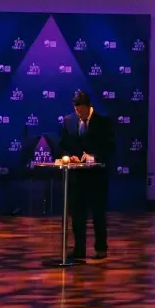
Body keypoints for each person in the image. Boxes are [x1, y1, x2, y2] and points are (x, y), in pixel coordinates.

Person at [55, 89, 112, 262]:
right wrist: (70, 157)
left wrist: (93, 157)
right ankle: (79, 250)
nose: (79, 114)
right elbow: (62, 145)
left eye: (82, 111)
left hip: (97, 177)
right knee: (77, 215)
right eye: (76, 110)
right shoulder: (68, 121)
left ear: (89, 107)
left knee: (98, 214)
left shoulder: (103, 122)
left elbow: (111, 148)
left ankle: (101, 249)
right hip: (77, 177)